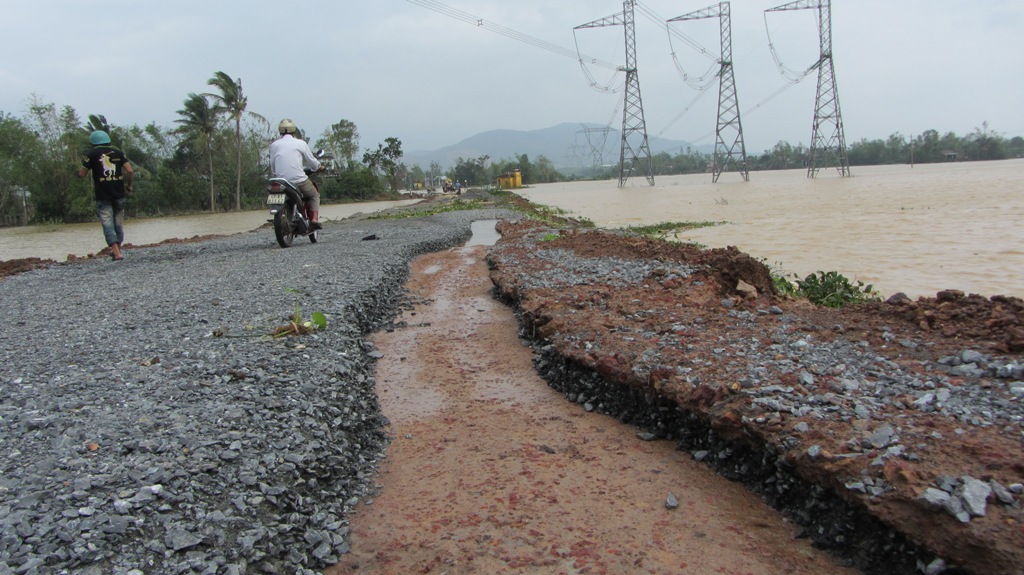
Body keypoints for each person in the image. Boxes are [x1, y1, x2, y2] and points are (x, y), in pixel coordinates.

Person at [78, 130, 133, 261]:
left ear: (93, 142)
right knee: (118, 223)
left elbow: (81, 173)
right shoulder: (118, 153)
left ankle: (117, 253)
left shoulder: (92, 154)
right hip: (119, 194)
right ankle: (117, 250)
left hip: (103, 196)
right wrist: (129, 186)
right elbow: (130, 170)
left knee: (108, 224)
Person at [269, 119, 323, 230]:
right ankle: (314, 220)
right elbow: (312, 161)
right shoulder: (300, 143)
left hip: (280, 181)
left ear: (280, 131)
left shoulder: (274, 145)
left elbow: (273, 164)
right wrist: (319, 167)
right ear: (293, 130)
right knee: (314, 195)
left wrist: (276, 174)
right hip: (299, 180)